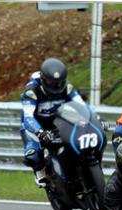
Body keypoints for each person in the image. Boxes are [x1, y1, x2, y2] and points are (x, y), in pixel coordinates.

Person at [20, 58, 87, 187]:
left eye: (59, 82)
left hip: (58, 121)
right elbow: (28, 117)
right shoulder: (31, 90)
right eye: (51, 82)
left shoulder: (67, 88)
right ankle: (40, 172)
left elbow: (82, 106)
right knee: (32, 154)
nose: (56, 86)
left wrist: (94, 118)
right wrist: (40, 132)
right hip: (36, 124)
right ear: (43, 79)